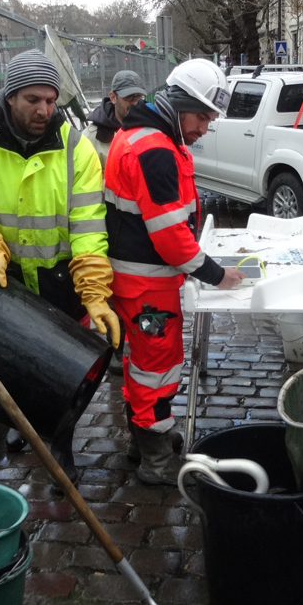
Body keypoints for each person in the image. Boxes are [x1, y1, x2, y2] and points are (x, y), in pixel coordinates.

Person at [0, 49, 120, 485]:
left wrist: (95, 293)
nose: (45, 109)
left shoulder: (76, 149)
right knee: (11, 363)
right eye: (33, 100)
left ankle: (60, 443)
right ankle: (21, 426)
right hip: (5, 279)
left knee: (61, 375)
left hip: (59, 279)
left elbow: (87, 225)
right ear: (9, 98)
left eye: (50, 99)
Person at [105, 58, 244, 485]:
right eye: (202, 116)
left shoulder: (147, 136)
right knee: (156, 368)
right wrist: (219, 275)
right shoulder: (155, 148)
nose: (205, 128)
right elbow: (169, 236)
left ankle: (146, 441)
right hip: (147, 283)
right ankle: (156, 461)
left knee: (142, 365)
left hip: (139, 280)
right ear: (181, 103)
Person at [87, 69, 147, 165]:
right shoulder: (91, 138)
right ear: (113, 98)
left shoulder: (152, 130)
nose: (135, 102)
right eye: (129, 97)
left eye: (139, 97)